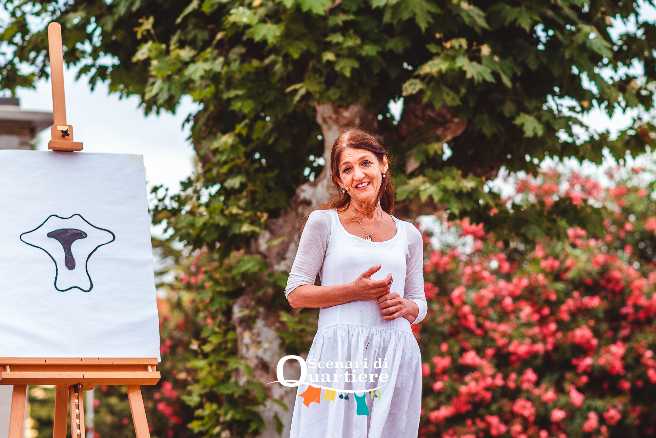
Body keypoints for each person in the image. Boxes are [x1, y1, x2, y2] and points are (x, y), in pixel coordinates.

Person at [285, 128, 427, 437]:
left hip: (395, 356)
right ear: (338, 180)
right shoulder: (324, 223)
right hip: (340, 356)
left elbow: (420, 301)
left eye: (365, 163)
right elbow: (296, 294)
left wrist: (406, 306)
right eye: (347, 169)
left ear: (383, 165)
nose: (358, 174)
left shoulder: (409, 234)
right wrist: (355, 291)